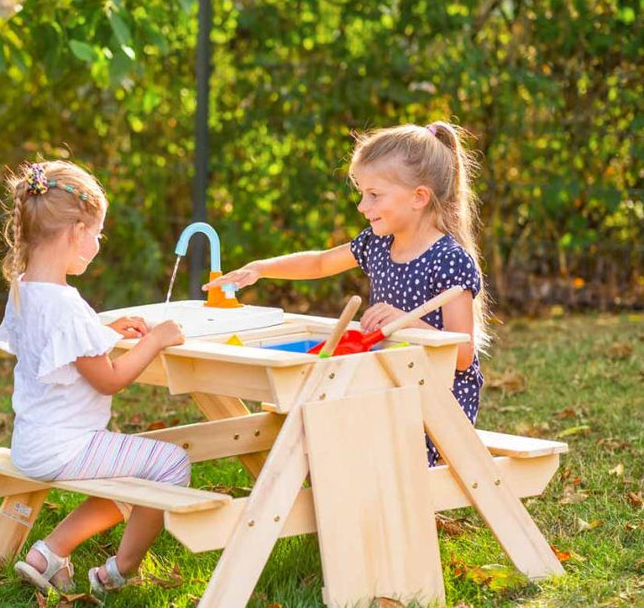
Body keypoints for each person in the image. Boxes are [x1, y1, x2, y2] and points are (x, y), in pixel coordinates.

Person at [204, 122, 489, 466]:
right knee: (314, 416)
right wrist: (261, 268)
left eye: (374, 194)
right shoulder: (377, 244)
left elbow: (461, 354)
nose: (361, 205)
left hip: (436, 405)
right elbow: (320, 263)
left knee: (324, 422)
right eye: (362, 193)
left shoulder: (449, 259)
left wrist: (404, 323)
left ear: (419, 197)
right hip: (386, 385)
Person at [0, 160, 189, 596]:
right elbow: (111, 379)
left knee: (138, 467)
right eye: (98, 233)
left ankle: (49, 553)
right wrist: (155, 340)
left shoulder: (25, 289)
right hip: (65, 447)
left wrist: (105, 332)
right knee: (170, 464)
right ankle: (120, 570)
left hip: (31, 442)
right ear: (77, 232)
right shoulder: (66, 305)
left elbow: (62, 349)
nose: (98, 243)